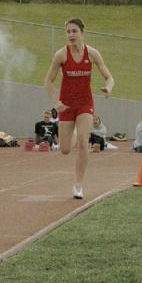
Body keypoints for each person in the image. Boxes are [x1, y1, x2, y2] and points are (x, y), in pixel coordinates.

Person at [45, 17, 114, 199]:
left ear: (82, 33)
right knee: (65, 149)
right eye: (68, 32)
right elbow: (48, 81)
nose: (71, 35)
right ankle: (73, 132)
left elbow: (109, 77)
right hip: (66, 105)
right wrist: (55, 102)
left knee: (84, 142)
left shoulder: (92, 54)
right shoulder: (61, 55)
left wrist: (108, 88)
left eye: (74, 31)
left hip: (85, 103)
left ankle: (78, 185)